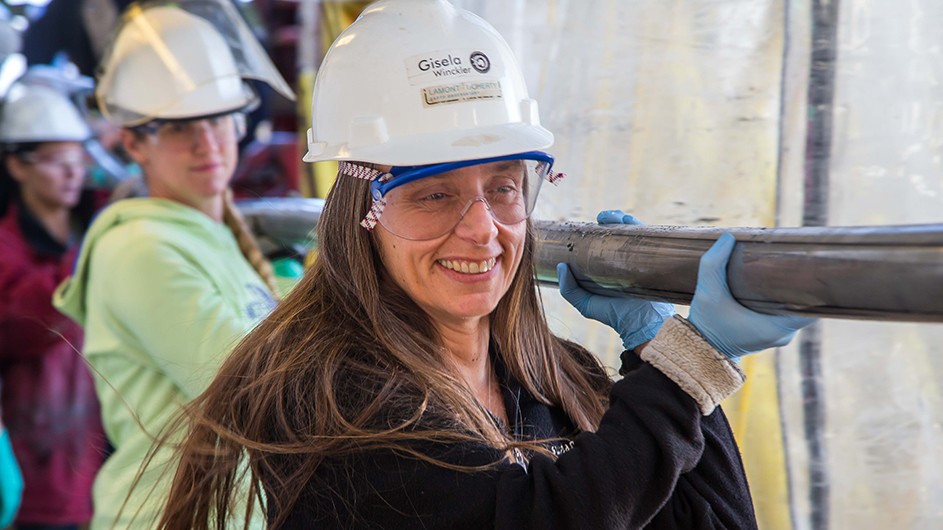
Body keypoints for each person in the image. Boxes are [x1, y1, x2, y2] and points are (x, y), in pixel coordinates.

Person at [158, 1, 814, 528]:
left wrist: (651, 349)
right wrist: (686, 365)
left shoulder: (552, 380)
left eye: (504, 187)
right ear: (364, 211)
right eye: (433, 194)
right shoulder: (329, 399)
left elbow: (717, 520)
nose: (482, 229)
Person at [51, 0, 295, 527]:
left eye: (217, 120)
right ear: (136, 142)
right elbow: (256, 389)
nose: (208, 143)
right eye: (181, 128)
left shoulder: (218, 236)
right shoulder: (139, 248)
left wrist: (293, 273)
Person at [0, 82, 107, 530]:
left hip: (101, 460)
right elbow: (24, 326)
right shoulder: (7, 250)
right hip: (37, 472)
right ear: (16, 166)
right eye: (55, 162)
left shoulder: (96, 231)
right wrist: (87, 251)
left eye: (78, 160)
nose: (72, 174)